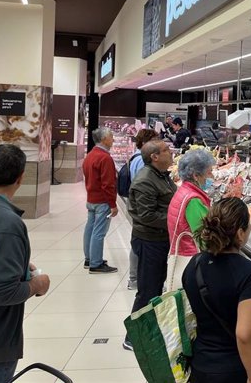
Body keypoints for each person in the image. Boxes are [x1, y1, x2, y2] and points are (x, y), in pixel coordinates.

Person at [182, 198, 251, 383]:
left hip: (202, 366)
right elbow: (245, 334)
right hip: (237, 371)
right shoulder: (250, 273)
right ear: (240, 233)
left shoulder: (194, 265)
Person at [0, 145, 50, 382]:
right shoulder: (6, 223)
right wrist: (39, 284)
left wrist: (19, 263)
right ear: (20, 178)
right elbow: (4, 292)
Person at [124, 140, 177, 351]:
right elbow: (146, 215)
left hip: (159, 240)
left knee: (155, 287)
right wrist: (175, 219)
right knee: (147, 289)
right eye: (166, 150)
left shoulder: (161, 175)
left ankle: (150, 329)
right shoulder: (146, 180)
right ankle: (132, 337)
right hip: (149, 242)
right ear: (154, 157)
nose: (170, 152)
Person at [166, 148, 214, 291]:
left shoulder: (183, 191)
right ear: (196, 175)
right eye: (209, 172)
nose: (212, 176)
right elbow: (204, 238)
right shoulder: (193, 200)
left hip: (180, 254)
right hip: (190, 261)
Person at [82, 127, 118, 274]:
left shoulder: (90, 155)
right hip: (102, 201)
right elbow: (108, 184)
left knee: (90, 229)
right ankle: (96, 264)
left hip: (91, 198)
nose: (113, 139)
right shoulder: (105, 158)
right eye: (111, 136)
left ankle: (89, 258)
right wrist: (113, 204)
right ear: (104, 139)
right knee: (99, 232)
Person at [125, 129, 158, 291]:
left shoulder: (137, 157)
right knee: (139, 243)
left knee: (137, 242)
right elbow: (144, 185)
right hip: (141, 207)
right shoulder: (141, 160)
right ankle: (134, 279)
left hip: (138, 206)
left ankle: (135, 278)